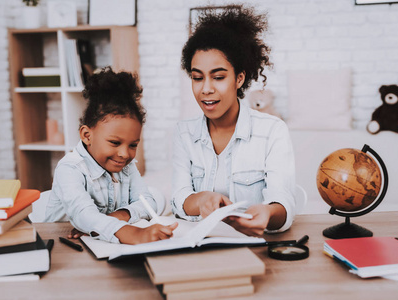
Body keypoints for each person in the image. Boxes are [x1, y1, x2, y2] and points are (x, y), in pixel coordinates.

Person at [171, 5, 297, 236]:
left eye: (218, 77)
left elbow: (283, 202)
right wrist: (202, 200)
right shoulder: (184, 133)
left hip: (255, 246)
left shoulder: (272, 131)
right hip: (200, 247)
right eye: (197, 78)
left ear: (239, 78)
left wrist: (267, 213)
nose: (206, 89)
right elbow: (179, 198)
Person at [45, 67, 177, 244]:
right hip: (61, 244)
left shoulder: (127, 167)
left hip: (98, 242)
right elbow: (84, 215)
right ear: (87, 135)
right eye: (115, 143)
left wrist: (119, 216)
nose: (124, 154)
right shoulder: (69, 168)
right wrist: (135, 234)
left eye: (133, 145)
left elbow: (148, 203)